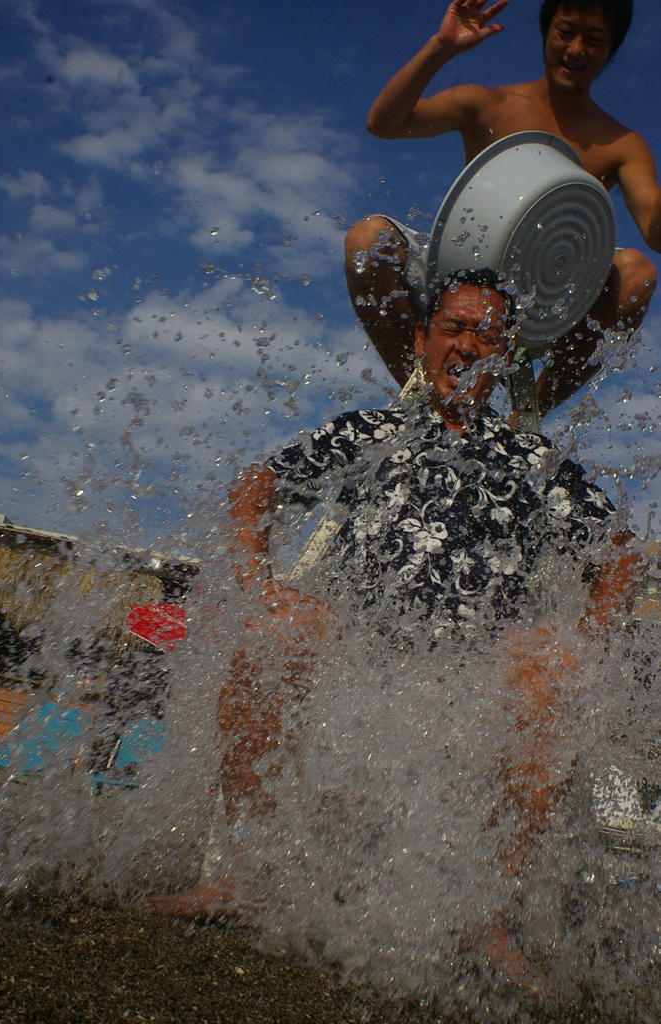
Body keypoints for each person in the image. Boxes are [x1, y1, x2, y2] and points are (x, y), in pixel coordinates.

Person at [145, 270, 642, 994]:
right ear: (421, 341)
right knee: (288, 623)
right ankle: (242, 878)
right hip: (359, 661)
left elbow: (620, 555)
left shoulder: (536, 462)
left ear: (506, 360)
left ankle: (488, 920)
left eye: (489, 334)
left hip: (472, 684)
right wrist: (258, 589)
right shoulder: (371, 433)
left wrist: (589, 638)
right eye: (454, 328)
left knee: (550, 665)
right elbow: (257, 486)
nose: (469, 344)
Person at [345, 0, 660, 416]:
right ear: (547, 33)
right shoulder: (489, 103)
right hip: (454, 275)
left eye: (595, 39)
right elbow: (384, 124)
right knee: (367, 239)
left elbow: (654, 230)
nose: (577, 48)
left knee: (638, 273)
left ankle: (520, 421)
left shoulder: (620, 143)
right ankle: (430, 398)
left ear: (611, 50)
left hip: (542, 306)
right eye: (566, 32)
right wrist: (441, 47)